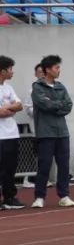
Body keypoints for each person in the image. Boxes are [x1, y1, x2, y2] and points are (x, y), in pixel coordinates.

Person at [31, 55, 74, 208]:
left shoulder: (61, 87)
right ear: (48, 70)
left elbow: (68, 105)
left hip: (62, 132)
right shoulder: (37, 87)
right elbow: (44, 105)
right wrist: (58, 105)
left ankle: (64, 195)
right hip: (45, 133)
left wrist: (54, 105)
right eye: (56, 67)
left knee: (64, 166)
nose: (59, 70)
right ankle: (39, 197)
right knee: (44, 165)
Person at [0, 56, 25, 210]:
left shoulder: (9, 88)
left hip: (12, 134)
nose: (12, 72)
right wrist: (11, 109)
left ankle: (9, 197)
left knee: (10, 168)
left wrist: (8, 109)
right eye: (10, 69)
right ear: (2, 71)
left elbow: (19, 105)